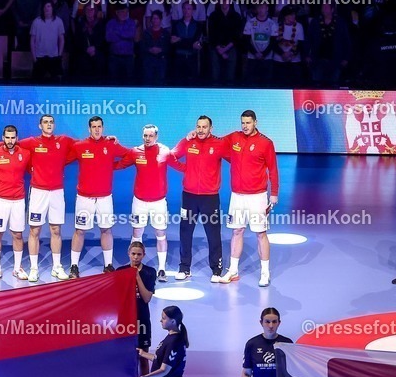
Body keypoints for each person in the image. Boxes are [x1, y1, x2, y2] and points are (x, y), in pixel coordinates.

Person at [114, 124, 183, 281]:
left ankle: (162, 269)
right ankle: (133, 268)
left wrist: (197, 170)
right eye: (145, 135)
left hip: (159, 203)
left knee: (161, 234)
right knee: (137, 234)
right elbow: (120, 164)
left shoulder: (165, 152)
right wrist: (100, 166)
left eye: (150, 136)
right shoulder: (135, 152)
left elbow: (179, 166)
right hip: (140, 202)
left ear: (156, 137)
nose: (147, 138)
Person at [222, 110, 280, 287]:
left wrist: (274, 194)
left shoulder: (266, 143)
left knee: (260, 233)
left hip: (257, 197)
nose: (245, 126)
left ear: (255, 122)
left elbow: (273, 169)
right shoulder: (234, 137)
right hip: (237, 196)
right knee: (237, 231)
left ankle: (265, 272)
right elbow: (215, 143)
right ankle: (233, 270)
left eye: (248, 123)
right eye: (243, 123)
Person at [67, 116, 130, 278]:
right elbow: (61, 158)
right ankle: (74, 266)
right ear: (89, 129)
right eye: (93, 126)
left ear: (103, 128)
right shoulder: (79, 146)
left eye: (99, 126)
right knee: (80, 231)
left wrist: (113, 166)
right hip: (84, 198)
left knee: (106, 229)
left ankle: (108, 265)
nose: (96, 129)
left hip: (104, 198)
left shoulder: (110, 144)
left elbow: (129, 155)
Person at [171, 115, 228, 281]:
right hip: (189, 196)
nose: (201, 130)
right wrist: (185, 169)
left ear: (211, 128)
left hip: (210, 197)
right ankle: (184, 268)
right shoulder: (188, 141)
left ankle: (216, 270)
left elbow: (236, 160)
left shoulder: (219, 144)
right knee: (185, 232)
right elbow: (172, 155)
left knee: (213, 233)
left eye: (204, 127)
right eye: (198, 127)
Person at [20, 115, 74, 281]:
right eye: (45, 122)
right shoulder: (32, 142)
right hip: (38, 192)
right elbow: (9, 143)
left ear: (54, 125)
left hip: (57, 192)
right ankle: (34, 268)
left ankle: (56, 267)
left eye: (51, 122)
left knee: (56, 230)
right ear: (40, 125)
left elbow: (86, 144)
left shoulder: (63, 140)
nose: (49, 125)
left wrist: (108, 139)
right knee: (34, 230)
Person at [0, 125, 32, 282]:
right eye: (7, 137)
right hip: (0, 200)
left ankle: (17, 268)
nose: (10, 140)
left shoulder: (25, 154)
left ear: (17, 138)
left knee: (17, 234)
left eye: (13, 138)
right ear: (3, 138)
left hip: (18, 200)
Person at [117, 241, 156, 377]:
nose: (135, 257)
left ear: (143, 255)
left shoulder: (149, 272)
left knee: (143, 359)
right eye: (133, 254)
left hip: (142, 321)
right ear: (128, 254)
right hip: (125, 322)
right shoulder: (120, 272)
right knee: (125, 360)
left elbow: (147, 298)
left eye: (139, 254)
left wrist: (136, 277)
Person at [137, 305, 188, 377]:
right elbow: (159, 359)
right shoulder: (169, 338)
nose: (161, 320)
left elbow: (164, 369)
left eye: (164, 318)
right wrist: (143, 353)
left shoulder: (174, 342)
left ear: (173, 321)